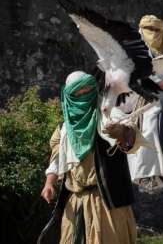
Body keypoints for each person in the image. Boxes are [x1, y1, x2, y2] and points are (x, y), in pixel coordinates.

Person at [38, 71, 138, 244]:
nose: (84, 96)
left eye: (88, 91)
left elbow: (131, 141)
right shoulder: (63, 131)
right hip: (74, 202)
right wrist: (49, 184)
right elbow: (56, 161)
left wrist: (123, 134)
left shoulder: (108, 118)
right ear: (69, 96)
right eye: (78, 93)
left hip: (107, 203)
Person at [127, 15, 163, 189]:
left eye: (157, 30)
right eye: (150, 29)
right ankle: (146, 175)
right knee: (152, 121)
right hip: (147, 95)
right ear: (142, 29)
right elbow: (141, 76)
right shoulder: (137, 50)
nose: (154, 33)